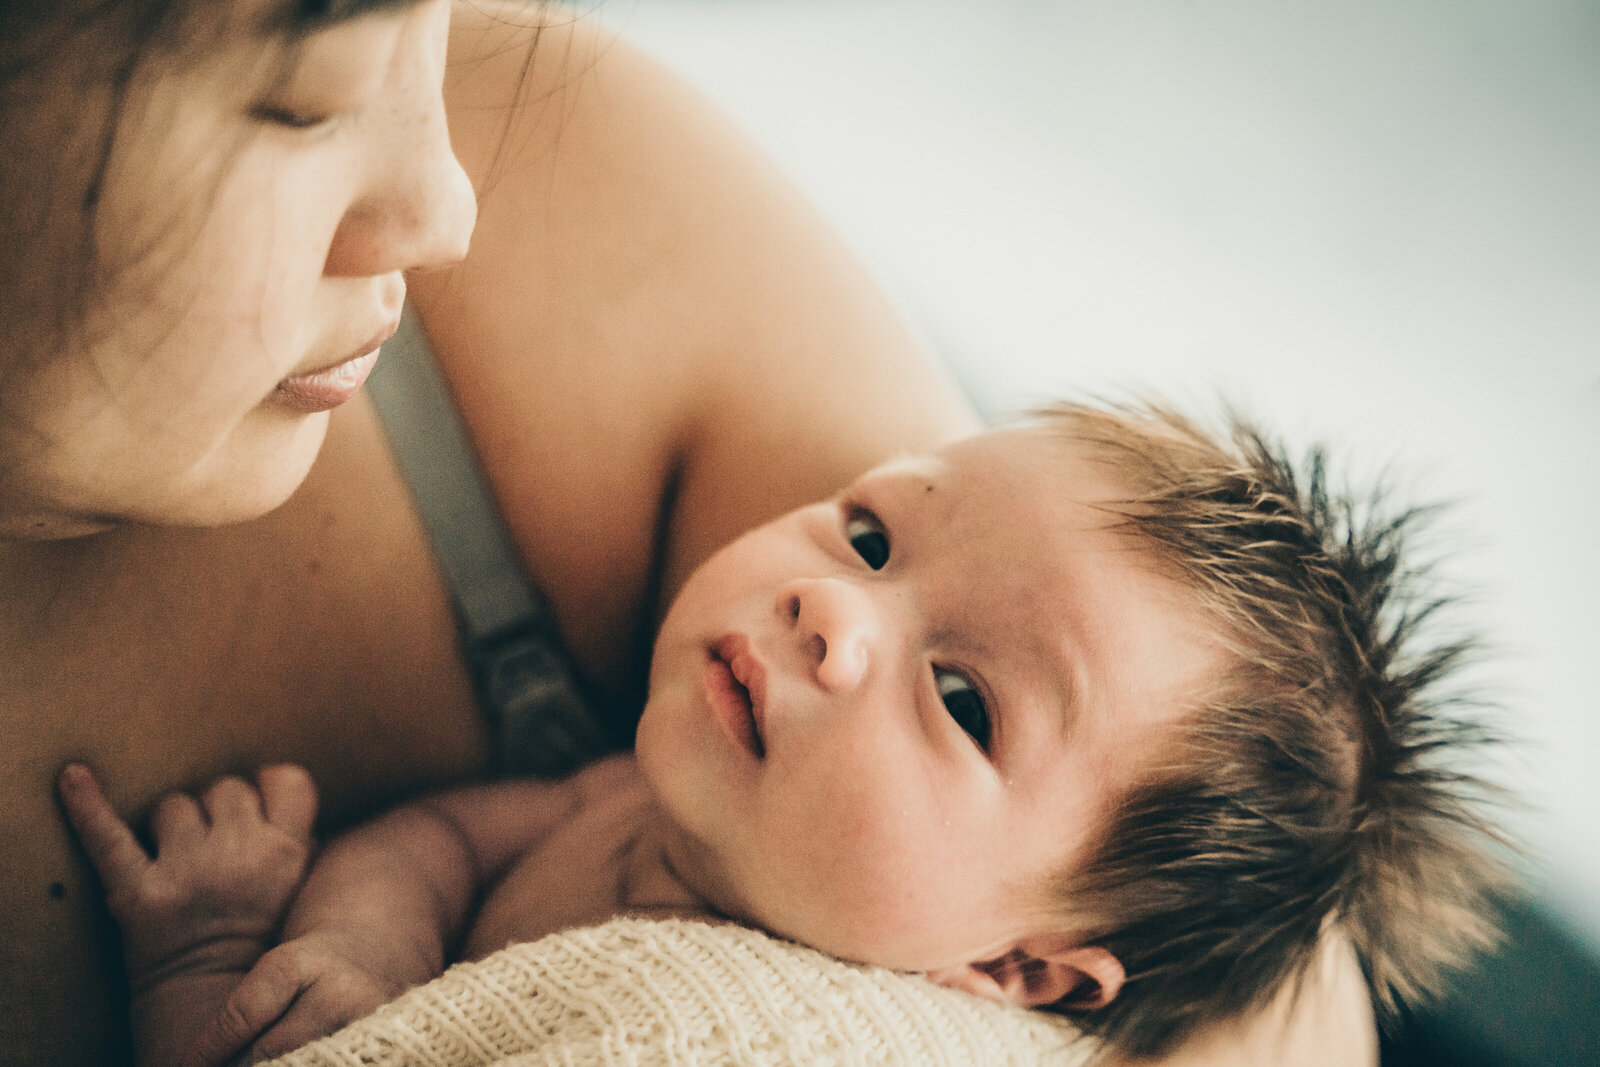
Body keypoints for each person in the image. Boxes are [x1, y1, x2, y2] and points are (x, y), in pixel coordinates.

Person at [59, 405, 1504, 1066]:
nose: (827, 605)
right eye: (872, 533)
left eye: (960, 700)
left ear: (1009, 968)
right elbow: (440, 840)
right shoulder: (623, 793)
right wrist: (354, 947)